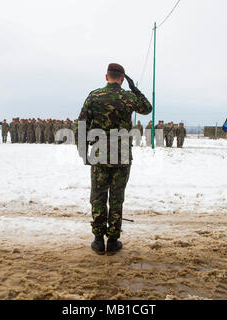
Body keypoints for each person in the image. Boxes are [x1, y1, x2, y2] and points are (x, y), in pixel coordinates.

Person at [77, 63, 152, 255]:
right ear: (122, 78)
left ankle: (98, 240)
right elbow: (147, 108)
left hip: (99, 153)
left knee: (99, 196)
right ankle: (112, 241)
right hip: (122, 154)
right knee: (117, 197)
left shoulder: (94, 96)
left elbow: (82, 125)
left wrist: (84, 151)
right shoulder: (128, 97)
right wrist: (134, 88)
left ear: (106, 77)